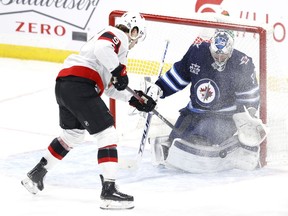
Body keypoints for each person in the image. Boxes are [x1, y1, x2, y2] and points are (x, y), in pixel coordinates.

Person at [21, 11, 156, 210]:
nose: (134, 45)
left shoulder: (110, 47)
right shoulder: (117, 35)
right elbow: (104, 49)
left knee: (72, 135)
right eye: (137, 39)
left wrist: (135, 99)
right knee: (107, 134)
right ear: (134, 31)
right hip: (80, 84)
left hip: (65, 85)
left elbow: (110, 87)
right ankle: (108, 192)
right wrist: (119, 71)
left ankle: (35, 175)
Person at [149, 29, 267, 173]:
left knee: (199, 139)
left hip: (223, 117)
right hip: (193, 112)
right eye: (215, 53)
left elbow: (249, 95)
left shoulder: (242, 63)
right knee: (176, 138)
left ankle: (233, 151)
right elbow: (179, 75)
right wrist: (159, 88)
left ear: (230, 51)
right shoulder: (197, 52)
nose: (218, 58)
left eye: (223, 54)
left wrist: (249, 116)